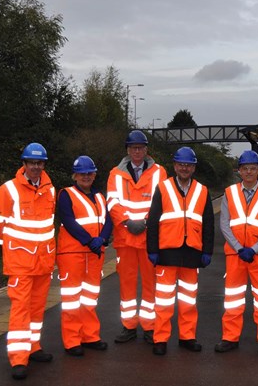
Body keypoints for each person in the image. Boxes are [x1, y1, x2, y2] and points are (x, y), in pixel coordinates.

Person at [0, 143, 56, 380]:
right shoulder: (8, 190)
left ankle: (33, 347)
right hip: (20, 263)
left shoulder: (50, 189)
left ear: (43, 164)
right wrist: (8, 246)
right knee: (20, 309)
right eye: (32, 163)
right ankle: (19, 358)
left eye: (39, 163)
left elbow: (48, 223)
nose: (36, 167)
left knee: (37, 308)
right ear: (24, 164)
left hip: (43, 260)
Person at [146, 146, 214, 356]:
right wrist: (153, 249)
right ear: (174, 166)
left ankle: (187, 337)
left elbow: (208, 223)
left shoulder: (202, 191)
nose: (184, 168)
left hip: (192, 252)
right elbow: (153, 220)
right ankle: (160, 338)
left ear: (193, 167)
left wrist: (207, 250)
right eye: (181, 164)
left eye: (188, 165)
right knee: (164, 300)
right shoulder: (163, 188)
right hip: (167, 252)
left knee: (188, 300)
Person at [215, 150, 258, 357]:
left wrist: (254, 249)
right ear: (239, 171)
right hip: (236, 255)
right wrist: (239, 248)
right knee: (233, 299)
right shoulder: (229, 193)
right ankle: (230, 338)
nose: (249, 172)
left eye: (253, 168)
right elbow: (224, 224)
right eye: (245, 169)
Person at [106, 130, 167, 345]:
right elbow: (112, 202)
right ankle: (129, 326)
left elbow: (162, 202)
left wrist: (145, 222)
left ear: (147, 149)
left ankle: (150, 327)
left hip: (149, 238)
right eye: (133, 148)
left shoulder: (160, 172)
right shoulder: (115, 174)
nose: (137, 151)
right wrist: (126, 221)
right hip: (125, 237)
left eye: (141, 147)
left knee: (152, 284)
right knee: (127, 284)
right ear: (128, 150)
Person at [56, 156, 113, 357]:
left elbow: (108, 221)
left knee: (90, 298)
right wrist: (90, 241)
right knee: (72, 299)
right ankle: (72, 340)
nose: (86, 176)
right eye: (82, 173)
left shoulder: (99, 197)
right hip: (73, 253)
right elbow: (68, 221)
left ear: (95, 174)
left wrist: (103, 239)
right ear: (75, 175)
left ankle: (90, 336)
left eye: (89, 173)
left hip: (95, 254)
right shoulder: (66, 195)